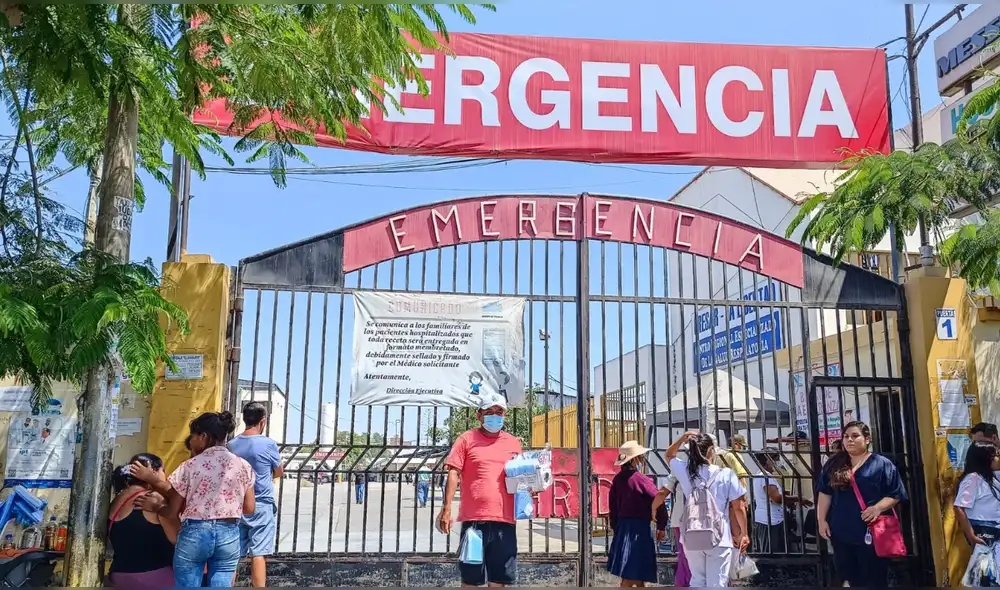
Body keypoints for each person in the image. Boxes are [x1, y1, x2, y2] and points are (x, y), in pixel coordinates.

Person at [131, 411, 256, 588]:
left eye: (193, 436)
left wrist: (156, 506)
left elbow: (172, 511)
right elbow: (250, 508)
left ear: (203, 436)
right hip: (229, 533)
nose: (191, 441)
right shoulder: (243, 466)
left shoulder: (190, 466)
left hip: (195, 534)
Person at [436, 393, 522, 587]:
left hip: (505, 520)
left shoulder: (513, 443)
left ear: (505, 414)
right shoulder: (466, 439)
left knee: (498, 580)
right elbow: (453, 473)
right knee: (470, 579)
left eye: (498, 412)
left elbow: (521, 476)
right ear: (479, 415)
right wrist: (446, 508)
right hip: (474, 522)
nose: (494, 416)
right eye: (489, 412)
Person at [816, 421, 907, 587]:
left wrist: (877, 508)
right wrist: (821, 520)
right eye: (846, 437)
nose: (849, 440)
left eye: (855, 436)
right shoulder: (834, 464)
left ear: (867, 439)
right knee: (847, 577)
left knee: (874, 578)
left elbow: (895, 494)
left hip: (872, 533)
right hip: (841, 532)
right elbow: (825, 493)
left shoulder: (881, 464)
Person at [665, 431, 748, 588]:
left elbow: (669, 455)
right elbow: (739, 506)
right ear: (712, 450)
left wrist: (683, 438)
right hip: (719, 537)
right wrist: (744, 533)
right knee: (717, 583)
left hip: (692, 535)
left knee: (697, 580)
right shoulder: (726, 474)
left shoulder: (685, 471)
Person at [228, 402, 284, 587]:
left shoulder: (232, 445)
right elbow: (279, 471)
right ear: (263, 421)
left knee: (232, 555)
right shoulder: (268, 444)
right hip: (261, 504)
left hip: (237, 504)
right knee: (258, 553)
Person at [107, 453, 178, 587]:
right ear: (153, 471)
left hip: (119, 576)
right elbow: (177, 538)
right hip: (155, 577)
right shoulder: (154, 499)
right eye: (163, 470)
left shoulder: (118, 498)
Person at [607, 441, 668, 587]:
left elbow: (613, 508)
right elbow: (658, 499)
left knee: (635, 575)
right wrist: (662, 525)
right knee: (632, 574)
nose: (642, 459)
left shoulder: (617, 479)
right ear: (634, 459)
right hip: (638, 530)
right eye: (640, 457)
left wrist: (616, 528)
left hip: (623, 527)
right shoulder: (641, 480)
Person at [751, 449, 812, 554]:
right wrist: (798, 498)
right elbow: (776, 499)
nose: (777, 462)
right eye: (776, 459)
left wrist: (790, 497)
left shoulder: (766, 475)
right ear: (768, 460)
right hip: (769, 521)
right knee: (769, 553)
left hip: (774, 520)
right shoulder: (765, 476)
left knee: (777, 552)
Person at [954, 441, 1000, 548]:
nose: (998, 459)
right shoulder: (973, 478)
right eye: (996, 456)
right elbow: (959, 507)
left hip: (995, 527)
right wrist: (971, 536)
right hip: (983, 528)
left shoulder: (991, 478)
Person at [652, 473, 690, 587]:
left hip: (680, 519)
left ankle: (684, 583)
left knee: (684, 556)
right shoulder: (713, 470)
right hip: (703, 521)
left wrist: (653, 508)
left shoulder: (681, 469)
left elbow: (662, 493)